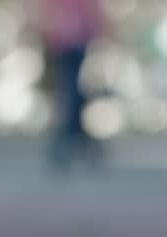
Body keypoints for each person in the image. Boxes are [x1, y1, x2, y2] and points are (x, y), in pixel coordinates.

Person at [32, 0, 107, 169]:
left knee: (72, 89)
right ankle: (74, 136)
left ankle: (71, 137)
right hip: (66, 41)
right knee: (72, 89)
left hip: (73, 40)